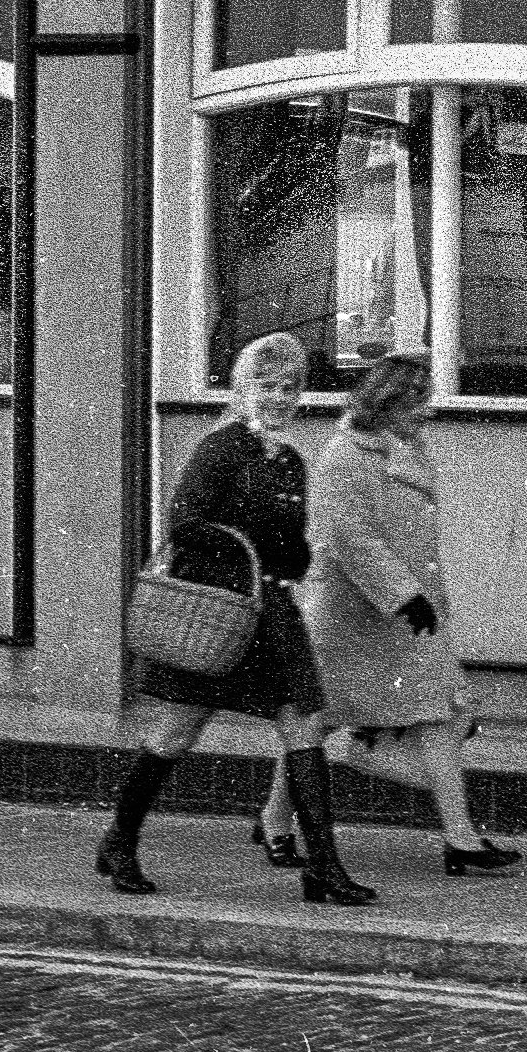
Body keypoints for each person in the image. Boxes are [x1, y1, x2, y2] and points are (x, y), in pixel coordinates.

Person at [93, 332, 378, 907]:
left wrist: (299, 553)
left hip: (271, 611)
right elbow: (185, 525)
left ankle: (323, 870)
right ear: (242, 389)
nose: (279, 396)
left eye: (290, 387)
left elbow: (292, 549)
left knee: (303, 727)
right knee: (176, 733)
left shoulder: (291, 457)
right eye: (266, 385)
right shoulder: (219, 448)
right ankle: (119, 839)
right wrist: (253, 548)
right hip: (219, 615)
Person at [293, 351, 519, 875]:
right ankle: (281, 818)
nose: (427, 411)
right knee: (324, 720)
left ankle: (460, 837)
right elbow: (348, 534)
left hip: (400, 610)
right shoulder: (345, 453)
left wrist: (411, 595)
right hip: (355, 612)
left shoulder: (404, 445)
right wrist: (402, 592)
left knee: (437, 711)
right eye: (417, 401)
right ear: (388, 400)